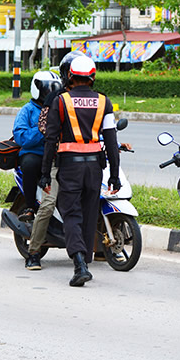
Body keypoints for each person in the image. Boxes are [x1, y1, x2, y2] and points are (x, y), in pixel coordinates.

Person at [39, 55, 121, 287]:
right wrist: (114, 175)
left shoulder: (61, 101)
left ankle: (79, 264)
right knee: (89, 211)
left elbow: (50, 139)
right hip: (95, 167)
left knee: (72, 213)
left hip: (69, 166)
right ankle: (86, 259)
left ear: (71, 76)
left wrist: (45, 173)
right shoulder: (104, 102)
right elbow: (112, 142)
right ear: (92, 77)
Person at [25, 52, 84, 271]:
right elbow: (45, 130)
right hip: (58, 162)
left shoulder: (92, 98)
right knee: (48, 205)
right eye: (76, 74)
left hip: (82, 162)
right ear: (68, 75)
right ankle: (33, 252)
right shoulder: (54, 99)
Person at [12, 71, 62, 223]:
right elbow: (21, 137)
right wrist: (42, 130)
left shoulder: (62, 108)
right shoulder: (27, 110)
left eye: (54, 89)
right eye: (47, 90)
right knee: (29, 164)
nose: (50, 94)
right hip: (36, 153)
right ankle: (30, 207)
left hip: (58, 154)